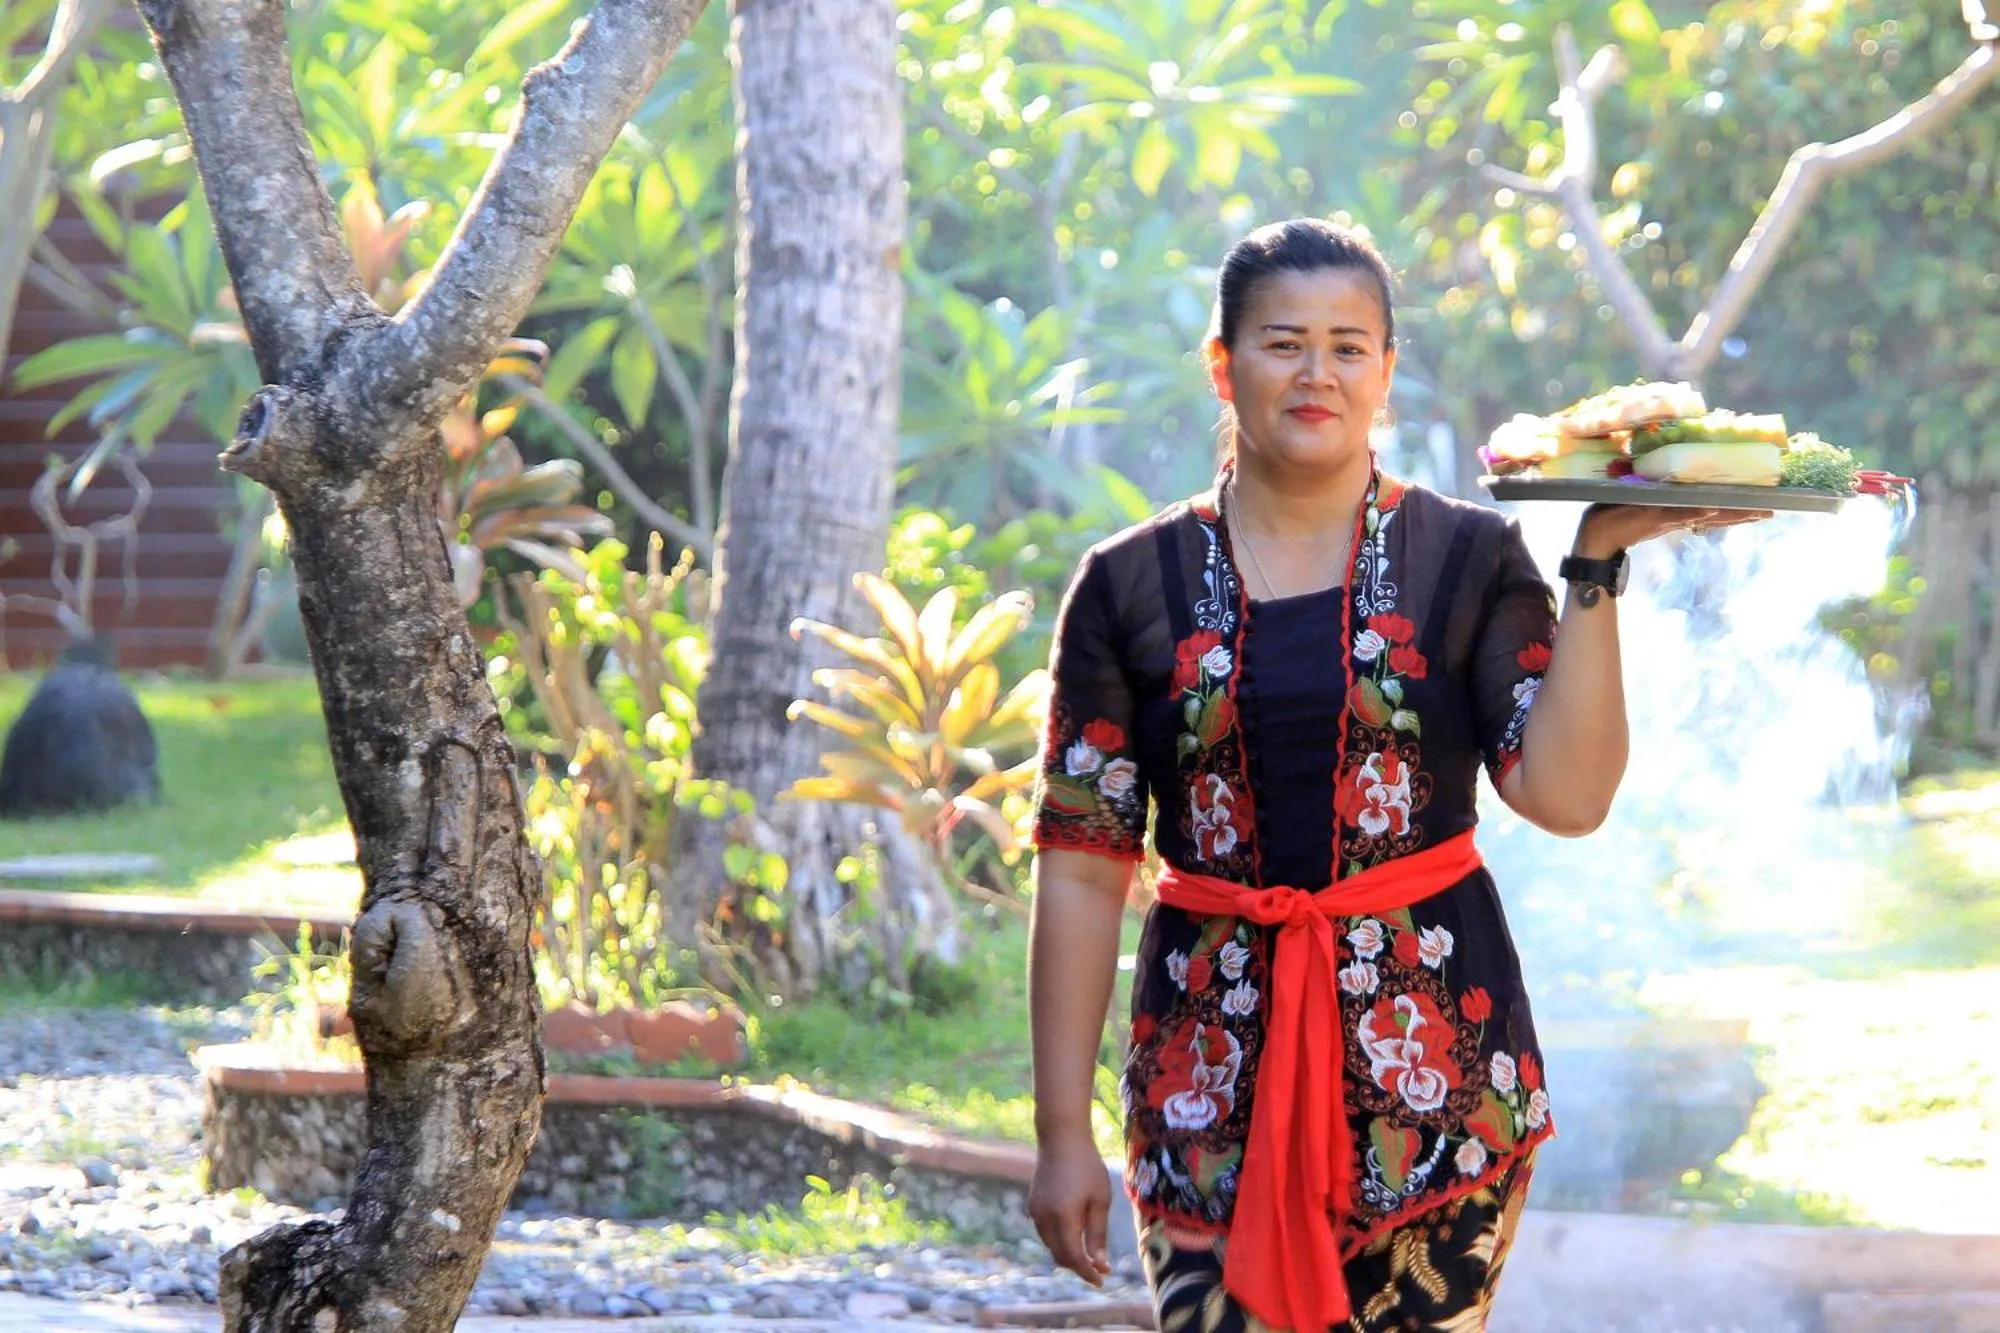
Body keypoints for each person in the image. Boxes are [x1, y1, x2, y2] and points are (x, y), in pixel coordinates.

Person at [1024, 217, 1764, 1332]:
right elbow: (1081, 869)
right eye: (1282, 343)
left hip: (1440, 1087)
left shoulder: (1468, 557)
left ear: (1385, 369)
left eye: (1348, 345)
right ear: (1223, 365)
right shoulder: (1128, 583)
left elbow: (1563, 798)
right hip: (1202, 1084)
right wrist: (1057, 1136)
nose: (1316, 371)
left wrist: (1596, 560)